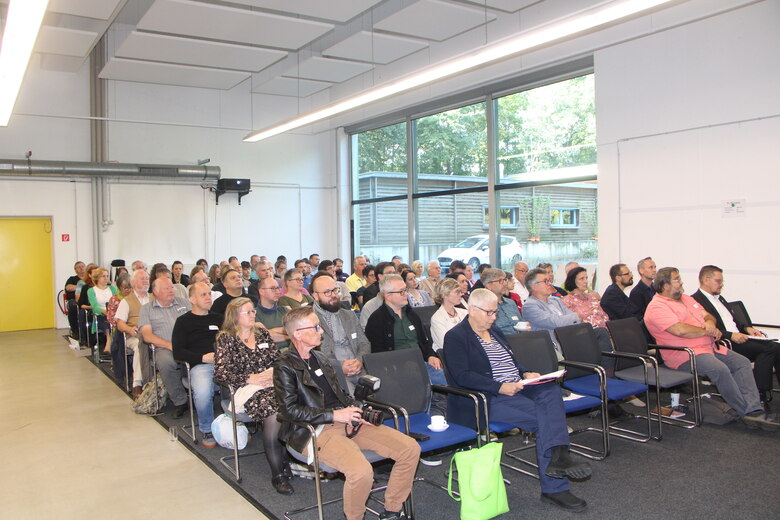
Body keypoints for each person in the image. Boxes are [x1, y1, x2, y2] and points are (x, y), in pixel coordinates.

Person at [443, 288, 592, 512]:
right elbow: (461, 376)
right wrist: (499, 387)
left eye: (495, 312)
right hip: (488, 397)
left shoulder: (495, 333)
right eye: (490, 313)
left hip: (519, 386)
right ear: (472, 310)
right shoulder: (456, 337)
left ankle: (559, 458)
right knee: (547, 420)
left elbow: (511, 362)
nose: (494, 317)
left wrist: (525, 373)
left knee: (551, 391)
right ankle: (555, 486)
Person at [274, 306, 420, 520]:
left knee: (409, 448)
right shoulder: (284, 365)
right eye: (315, 327)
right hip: (313, 430)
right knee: (361, 472)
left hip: (345, 420)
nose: (321, 331)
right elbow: (288, 410)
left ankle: (393, 509)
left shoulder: (321, 359)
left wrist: (358, 411)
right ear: (297, 334)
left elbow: (341, 395)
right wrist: (334, 416)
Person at [644, 267, 778, 431]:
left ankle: (754, 408)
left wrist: (709, 323)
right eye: (677, 279)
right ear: (665, 285)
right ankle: (747, 412)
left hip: (709, 347)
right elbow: (680, 330)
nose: (681, 282)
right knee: (720, 369)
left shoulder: (686, 298)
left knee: (742, 363)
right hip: (685, 354)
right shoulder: (656, 307)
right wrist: (707, 331)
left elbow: (708, 315)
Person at [215, 298, 292, 494]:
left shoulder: (262, 333)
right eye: (247, 312)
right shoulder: (226, 338)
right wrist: (252, 378)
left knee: (292, 402)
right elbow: (221, 374)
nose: (253, 315)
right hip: (245, 389)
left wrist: (271, 374)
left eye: (253, 312)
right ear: (235, 316)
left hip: (271, 383)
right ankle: (278, 473)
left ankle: (287, 457)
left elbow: (278, 360)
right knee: (275, 412)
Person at [691, 265, 780, 408]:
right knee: (770, 349)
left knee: (776, 347)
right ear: (706, 280)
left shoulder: (719, 298)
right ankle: (760, 393)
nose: (721, 284)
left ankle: (761, 390)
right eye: (718, 281)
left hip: (739, 337)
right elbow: (706, 328)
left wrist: (746, 328)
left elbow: (732, 320)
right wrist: (731, 335)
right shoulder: (695, 301)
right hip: (726, 341)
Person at [365, 274, 446, 422]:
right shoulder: (377, 320)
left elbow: (424, 342)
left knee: (443, 377)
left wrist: (431, 355)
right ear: (388, 295)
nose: (406, 294)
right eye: (401, 292)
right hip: (396, 367)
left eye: (405, 290)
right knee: (424, 382)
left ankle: (437, 416)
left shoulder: (412, 315)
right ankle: (426, 419)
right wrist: (403, 364)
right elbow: (378, 355)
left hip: (420, 362)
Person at [171, 282, 221, 449]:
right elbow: (178, 353)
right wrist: (202, 358)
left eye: (209, 294)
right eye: (203, 295)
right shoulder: (183, 322)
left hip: (224, 362)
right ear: (192, 299)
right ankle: (207, 429)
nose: (208, 297)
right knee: (202, 391)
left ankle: (235, 425)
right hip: (201, 365)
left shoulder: (219, 318)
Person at [523, 268, 612, 357]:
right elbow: (556, 322)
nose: (550, 283)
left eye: (549, 280)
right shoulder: (530, 306)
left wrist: (572, 318)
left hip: (570, 338)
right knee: (599, 338)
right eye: (546, 281)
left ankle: (605, 369)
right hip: (554, 346)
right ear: (534, 286)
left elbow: (571, 319)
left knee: (601, 333)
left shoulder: (556, 300)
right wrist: (575, 316)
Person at [139, 278, 192, 418]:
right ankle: (180, 401)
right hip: (164, 347)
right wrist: (169, 345)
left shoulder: (184, 303)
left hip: (190, 344)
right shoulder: (147, 309)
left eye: (171, 288)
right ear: (156, 292)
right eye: (166, 288)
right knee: (165, 362)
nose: (171, 290)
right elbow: (147, 336)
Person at [310, 272, 370, 391]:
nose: (333, 295)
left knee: (383, 392)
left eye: (335, 290)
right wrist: (339, 366)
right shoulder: (310, 320)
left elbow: (364, 343)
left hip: (358, 367)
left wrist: (359, 360)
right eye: (327, 292)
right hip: (332, 372)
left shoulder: (349, 315)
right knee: (351, 397)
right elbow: (316, 354)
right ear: (315, 296)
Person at [116, 269, 153, 398]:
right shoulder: (126, 301)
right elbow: (120, 324)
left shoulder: (154, 298)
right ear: (133, 282)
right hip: (134, 335)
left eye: (147, 278)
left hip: (153, 333)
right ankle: (137, 384)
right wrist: (129, 329)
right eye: (142, 279)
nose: (146, 281)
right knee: (140, 345)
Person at [480, 268, 524, 336]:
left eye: (505, 280)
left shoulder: (511, 303)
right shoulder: (483, 306)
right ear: (488, 285)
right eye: (500, 281)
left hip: (519, 341)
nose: (505, 284)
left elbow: (521, 324)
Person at [430, 277, 468, 352]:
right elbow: (446, 344)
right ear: (444, 295)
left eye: (460, 291)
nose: (461, 294)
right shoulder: (437, 319)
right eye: (457, 292)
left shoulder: (465, 313)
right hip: (453, 355)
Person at [87, 267, 118, 354]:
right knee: (106, 321)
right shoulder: (91, 291)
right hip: (100, 315)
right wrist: (105, 311)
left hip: (113, 313)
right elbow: (95, 306)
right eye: (103, 276)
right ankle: (109, 341)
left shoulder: (112, 289)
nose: (106, 278)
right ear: (97, 278)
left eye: (107, 276)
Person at [254, 275, 290, 349]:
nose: (278, 292)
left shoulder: (284, 310)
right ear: (262, 291)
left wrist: (270, 331)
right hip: (271, 355)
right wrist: (290, 335)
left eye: (278, 288)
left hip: (292, 353)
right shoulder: (253, 314)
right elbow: (265, 336)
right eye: (273, 288)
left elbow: (298, 330)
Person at [65, 261, 86, 339]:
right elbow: (68, 287)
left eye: (82, 266)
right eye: (78, 267)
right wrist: (81, 286)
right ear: (75, 270)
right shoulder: (72, 279)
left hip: (87, 300)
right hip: (74, 301)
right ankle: (75, 331)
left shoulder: (90, 279)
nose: (81, 268)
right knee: (73, 306)